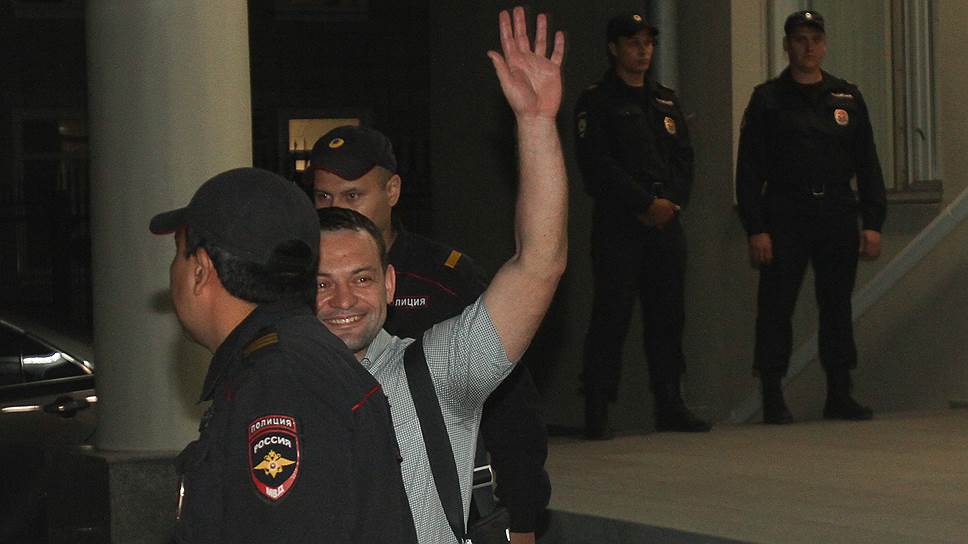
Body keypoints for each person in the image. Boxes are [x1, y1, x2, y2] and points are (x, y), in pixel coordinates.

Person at [314, 7, 566, 542]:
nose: (343, 298)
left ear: (390, 282)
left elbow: (539, 263)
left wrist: (536, 125)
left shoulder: (435, 371)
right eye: (321, 282)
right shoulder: (275, 378)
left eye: (362, 279)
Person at [149, 167, 416, 543]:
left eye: (179, 255)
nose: (172, 273)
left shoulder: (279, 382)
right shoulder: (291, 360)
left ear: (200, 270)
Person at [735, 10, 887, 424]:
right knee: (776, 305)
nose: (808, 47)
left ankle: (839, 393)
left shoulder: (845, 97)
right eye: (800, 40)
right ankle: (772, 395)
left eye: (815, 40)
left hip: (836, 210)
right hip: (786, 212)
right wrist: (756, 227)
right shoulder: (768, 99)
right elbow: (748, 170)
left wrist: (873, 221)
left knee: (836, 304)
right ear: (787, 45)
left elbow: (867, 163)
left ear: (825, 45)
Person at [574, 12, 709, 439]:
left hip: (666, 223)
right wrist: (643, 203)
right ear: (613, 48)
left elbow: (684, 159)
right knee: (611, 315)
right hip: (621, 223)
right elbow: (597, 166)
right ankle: (597, 408)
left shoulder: (664, 100)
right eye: (633, 42)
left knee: (668, 316)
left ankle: (670, 403)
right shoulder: (597, 101)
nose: (642, 50)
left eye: (648, 43)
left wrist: (671, 203)